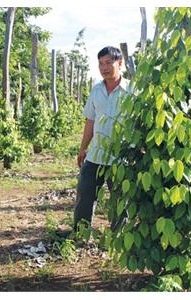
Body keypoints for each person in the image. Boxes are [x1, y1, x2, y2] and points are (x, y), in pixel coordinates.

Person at [73, 46, 131, 232]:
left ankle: (119, 236)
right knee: (85, 194)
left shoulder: (132, 91)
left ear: (120, 63)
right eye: (100, 64)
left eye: (108, 63)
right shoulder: (96, 90)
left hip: (121, 157)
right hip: (96, 154)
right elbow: (90, 120)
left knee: (120, 199)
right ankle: (81, 233)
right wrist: (83, 148)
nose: (104, 67)